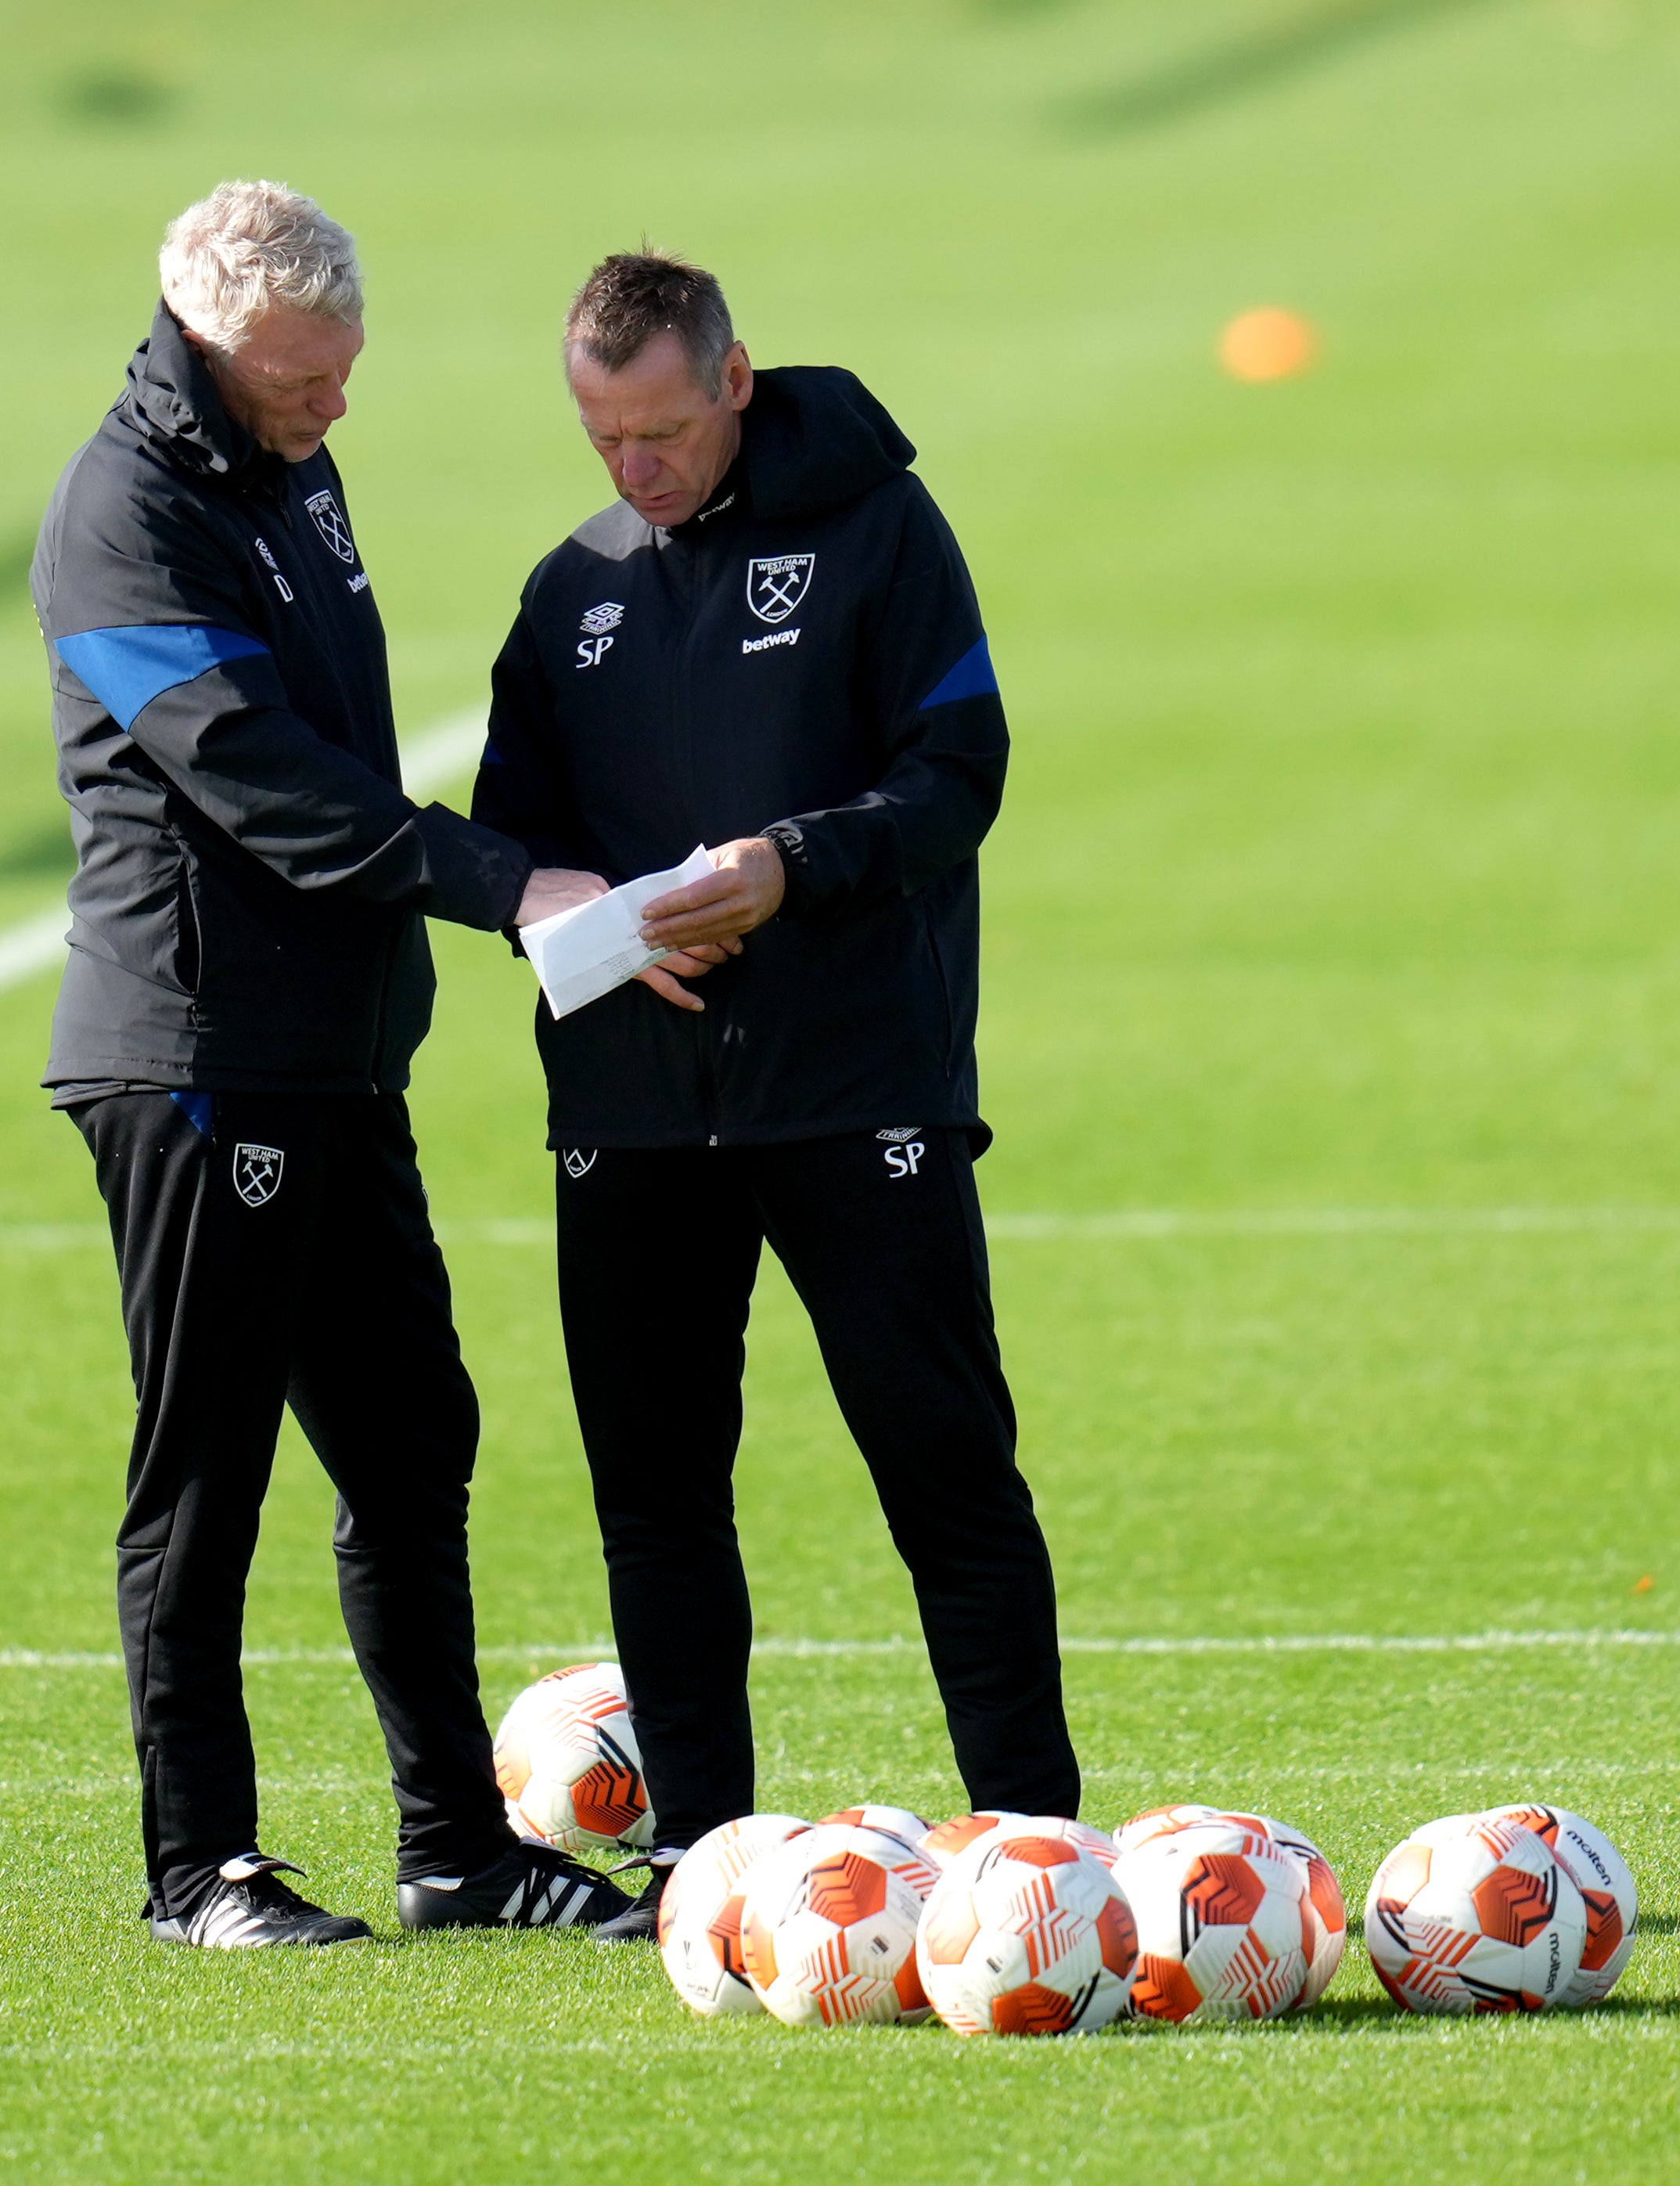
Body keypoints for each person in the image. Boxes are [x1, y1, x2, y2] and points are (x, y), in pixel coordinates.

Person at [34, 182, 631, 1947]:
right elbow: (264, 779)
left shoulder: (284, 460)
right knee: (204, 1469)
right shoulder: (125, 513)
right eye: (307, 378)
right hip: (200, 1058)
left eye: (345, 371)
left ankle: (457, 1846)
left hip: (333, 1059)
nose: (336, 406)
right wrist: (504, 882)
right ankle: (195, 1866)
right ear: (212, 338)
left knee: (409, 1437)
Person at [470, 251, 1081, 1943]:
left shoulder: (884, 533)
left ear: (732, 379)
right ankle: (700, 1866)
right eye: (601, 438)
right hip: (631, 1104)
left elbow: (959, 775)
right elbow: (509, 834)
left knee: (943, 1467)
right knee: (654, 1495)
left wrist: (787, 865)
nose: (634, 467)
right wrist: (567, 910)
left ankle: (1034, 1847)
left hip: (851, 1084)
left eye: (660, 429)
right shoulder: (566, 589)